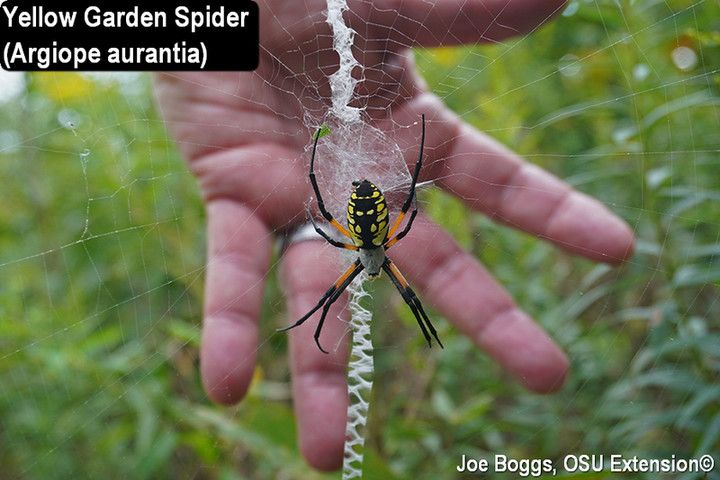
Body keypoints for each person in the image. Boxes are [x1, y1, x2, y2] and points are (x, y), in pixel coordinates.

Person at [154, 0, 634, 471]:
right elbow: (340, 210)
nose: (378, 272)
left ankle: (388, 336)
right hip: (370, 211)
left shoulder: (347, 241)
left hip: (358, 213)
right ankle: (417, 337)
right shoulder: (386, 237)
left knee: (333, 301)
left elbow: (327, 212)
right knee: (378, 302)